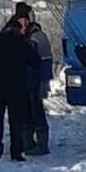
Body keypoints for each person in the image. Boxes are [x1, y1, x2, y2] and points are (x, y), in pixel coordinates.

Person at [0, 21, 39, 161]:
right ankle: (16, 152)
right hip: (17, 89)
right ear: (18, 30)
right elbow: (35, 62)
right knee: (16, 121)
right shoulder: (22, 45)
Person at [23, 11, 53, 156]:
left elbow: (32, 61)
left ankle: (41, 144)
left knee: (36, 110)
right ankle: (36, 143)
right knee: (34, 109)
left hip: (36, 80)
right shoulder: (39, 36)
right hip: (38, 79)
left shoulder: (35, 39)